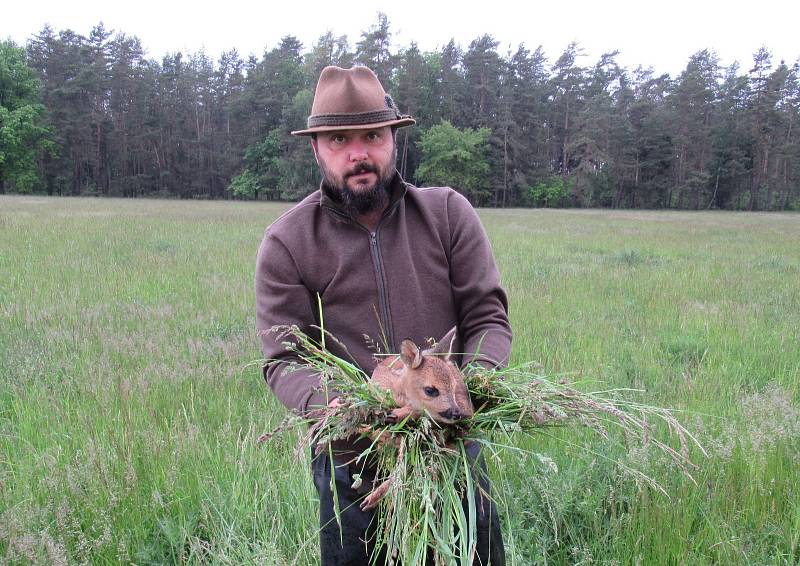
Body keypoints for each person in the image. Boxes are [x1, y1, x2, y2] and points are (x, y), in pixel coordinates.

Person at [255, 65, 512, 565]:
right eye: (338, 139)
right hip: (353, 459)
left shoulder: (447, 214)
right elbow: (284, 360)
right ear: (316, 148)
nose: (358, 153)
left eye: (372, 135)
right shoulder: (288, 242)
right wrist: (351, 406)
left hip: (450, 449)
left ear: (394, 138)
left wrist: (468, 388)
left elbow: (487, 318)